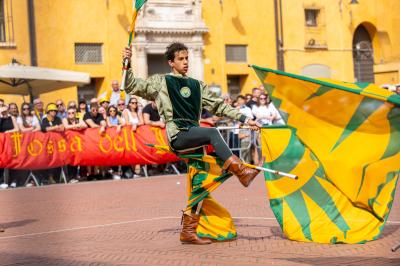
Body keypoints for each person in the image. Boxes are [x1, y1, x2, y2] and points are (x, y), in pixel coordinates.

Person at [123, 42, 261, 245]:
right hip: (178, 135)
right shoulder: (161, 82)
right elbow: (131, 85)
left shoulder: (197, 85)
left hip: (195, 139)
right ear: (171, 62)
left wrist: (244, 119)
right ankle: (241, 171)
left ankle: (188, 231)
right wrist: (126, 63)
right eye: (180, 59)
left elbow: (219, 106)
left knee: (200, 184)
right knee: (213, 132)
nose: (185, 62)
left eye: (187, 58)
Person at [63, 107, 87, 183]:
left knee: (79, 158)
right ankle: (71, 177)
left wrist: (74, 126)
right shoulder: (65, 119)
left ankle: (79, 175)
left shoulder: (78, 119)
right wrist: (77, 126)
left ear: (75, 113)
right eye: (69, 113)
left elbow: (85, 125)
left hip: (78, 143)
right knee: (71, 159)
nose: (71, 114)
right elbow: (66, 127)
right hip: (69, 143)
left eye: (73, 113)